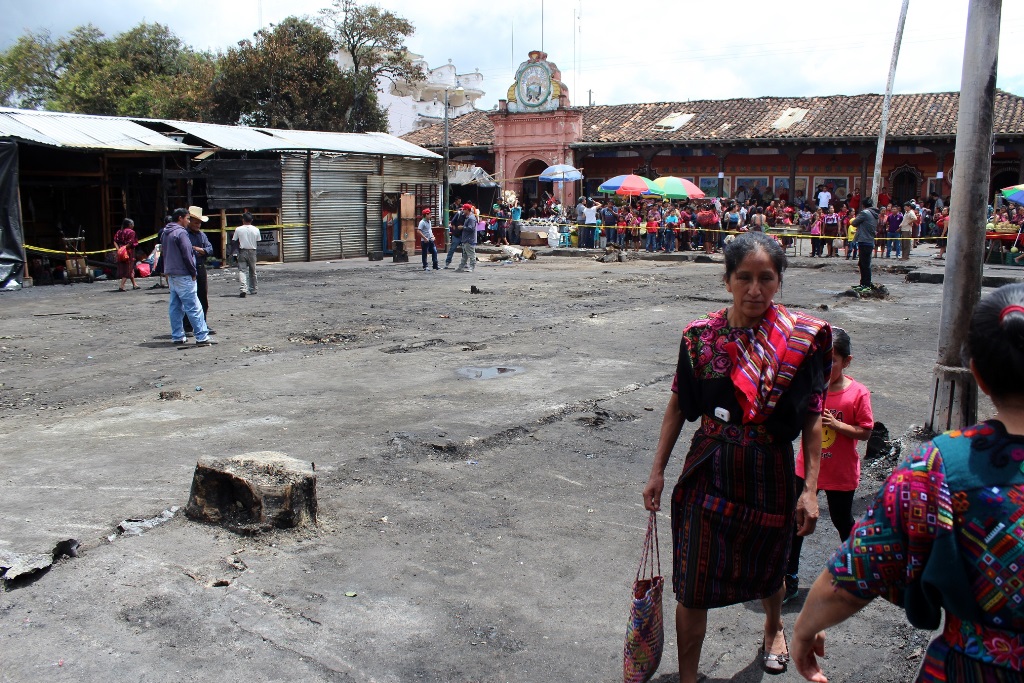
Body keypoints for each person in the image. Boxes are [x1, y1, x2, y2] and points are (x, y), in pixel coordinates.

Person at [792, 283, 1024, 683]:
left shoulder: (938, 467)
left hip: (975, 668)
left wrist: (803, 631)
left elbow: (854, 575)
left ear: (978, 375)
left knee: (845, 522)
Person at [642, 231, 831, 680]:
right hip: (709, 464)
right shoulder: (699, 338)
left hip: (770, 470)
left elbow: (812, 418)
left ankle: (773, 627)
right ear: (726, 280)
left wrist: (810, 490)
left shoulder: (801, 342)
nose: (755, 290)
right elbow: (677, 405)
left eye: (766, 278)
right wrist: (657, 471)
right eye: (743, 277)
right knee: (691, 579)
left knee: (769, 565)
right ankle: (688, 676)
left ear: (779, 281)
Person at [783, 328, 873, 602]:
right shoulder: (811, 389)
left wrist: (838, 425)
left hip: (840, 472)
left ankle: (857, 571)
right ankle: (790, 577)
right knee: (796, 521)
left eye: (832, 360)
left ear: (846, 361)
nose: (826, 365)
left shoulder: (857, 393)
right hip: (806, 467)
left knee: (841, 520)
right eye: (822, 359)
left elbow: (866, 431)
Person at [161, 208, 210, 347]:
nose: (189, 221)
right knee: (194, 306)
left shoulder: (165, 232)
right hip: (183, 274)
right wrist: (193, 272)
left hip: (172, 274)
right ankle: (202, 336)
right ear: (181, 218)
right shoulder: (181, 233)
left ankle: (177, 335)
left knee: (175, 306)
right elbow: (187, 255)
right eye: (188, 218)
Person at [184, 206, 215, 334]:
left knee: (203, 298)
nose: (198, 225)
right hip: (187, 269)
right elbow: (188, 251)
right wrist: (199, 250)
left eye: (199, 223)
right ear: (189, 221)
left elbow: (210, 249)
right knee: (189, 298)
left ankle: (203, 324)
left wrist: (199, 250)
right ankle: (187, 326)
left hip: (201, 268)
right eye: (196, 222)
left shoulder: (202, 235)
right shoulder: (184, 234)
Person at [851, 198, 879, 292]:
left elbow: (854, 223)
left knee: (865, 264)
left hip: (864, 240)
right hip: (869, 240)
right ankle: (863, 283)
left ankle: (866, 284)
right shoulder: (875, 214)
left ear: (863, 205)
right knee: (863, 263)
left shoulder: (865, 213)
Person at [232, 212, 260, 297]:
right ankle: (253, 289)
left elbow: (234, 241)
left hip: (242, 251)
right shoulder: (256, 229)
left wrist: (234, 253)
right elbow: (258, 240)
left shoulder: (238, 229)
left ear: (243, 220)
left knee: (242, 271)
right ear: (251, 220)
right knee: (253, 271)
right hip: (252, 251)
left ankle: (243, 289)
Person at [113, 218, 139, 292]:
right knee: (128, 268)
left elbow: (115, 241)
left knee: (130, 267)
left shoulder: (119, 232)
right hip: (128, 252)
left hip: (121, 251)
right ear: (129, 225)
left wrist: (119, 249)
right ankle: (121, 285)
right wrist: (124, 248)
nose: (133, 225)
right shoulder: (131, 232)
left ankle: (134, 284)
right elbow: (131, 243)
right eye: (132, 224)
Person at [455, 203, 477, 273]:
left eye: (464, 209)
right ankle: (461, 267)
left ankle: (472, 267)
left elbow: (471, 228)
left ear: (467, 210)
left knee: (471, 254)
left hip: (469, 239)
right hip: (466, 239)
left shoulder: (471, 218)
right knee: (465, 255)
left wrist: (462, 227)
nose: (463, 211)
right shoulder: (468, 217)